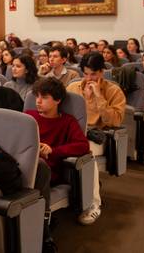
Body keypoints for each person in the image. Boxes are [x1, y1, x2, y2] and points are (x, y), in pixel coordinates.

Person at [24, 77, 90, 252]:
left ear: (58, 100)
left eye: (44, 97)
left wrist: (53, 150)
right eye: (37, 96)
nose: (38, 101)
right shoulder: (28, 116)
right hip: (24, 164)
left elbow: (83, 145)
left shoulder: (67, 121)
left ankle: (44, 234)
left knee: (40, 166)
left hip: (48, 171)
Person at [66, 52, 126, 225]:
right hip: (75, 133)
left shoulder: (113, 91)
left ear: (102, 72)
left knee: (86, 153)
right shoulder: (73, 88)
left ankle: (93, 204)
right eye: (86, 73)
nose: (89, 78)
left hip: (99, 136)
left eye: (94, 74)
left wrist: (99, 96)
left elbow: (114, 121)